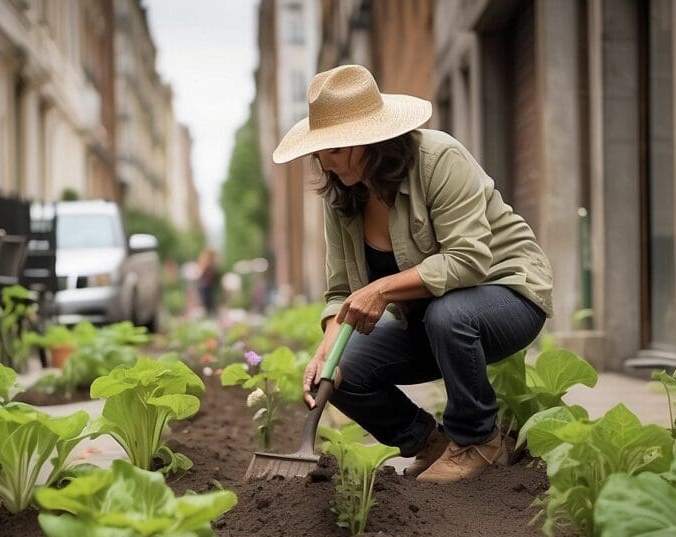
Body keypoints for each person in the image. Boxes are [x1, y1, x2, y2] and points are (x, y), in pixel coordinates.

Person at [272, 64, 554, 484]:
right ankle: (432, 443)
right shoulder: (343, 199)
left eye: (333, 149)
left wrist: (382, 289)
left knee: (450, 314)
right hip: (432, 322)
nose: (323, 163)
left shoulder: (439, 159)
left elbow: (468, 259)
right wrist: (324, 355)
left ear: (366, 140)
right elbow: (340, 292)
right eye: (319, 151)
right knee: (344, 371)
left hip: (507, 294)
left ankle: (478, 439)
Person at [196, 248, 220, 315]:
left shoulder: (209, 265)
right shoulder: (209, 266)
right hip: (206, 287)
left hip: (207, 287)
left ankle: (209, 316)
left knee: (208, 305)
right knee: (208, 304)